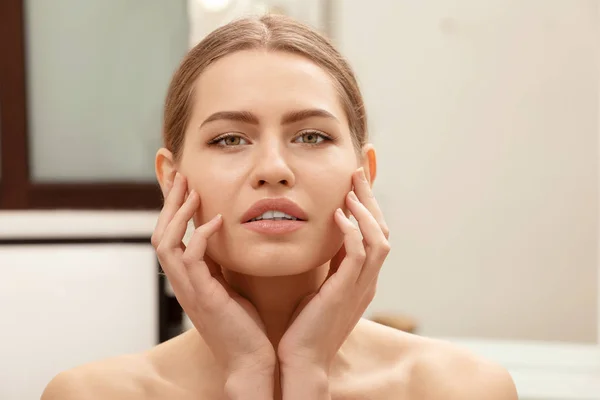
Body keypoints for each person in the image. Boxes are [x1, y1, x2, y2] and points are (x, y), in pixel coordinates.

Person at [41, 13, 518, 400]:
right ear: (172, 179)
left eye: (312, 136)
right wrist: (249, 372)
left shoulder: (460, 390)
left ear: (364, 174)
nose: (273, 168)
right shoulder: (88, 394)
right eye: (229, 139)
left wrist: (308, 371)